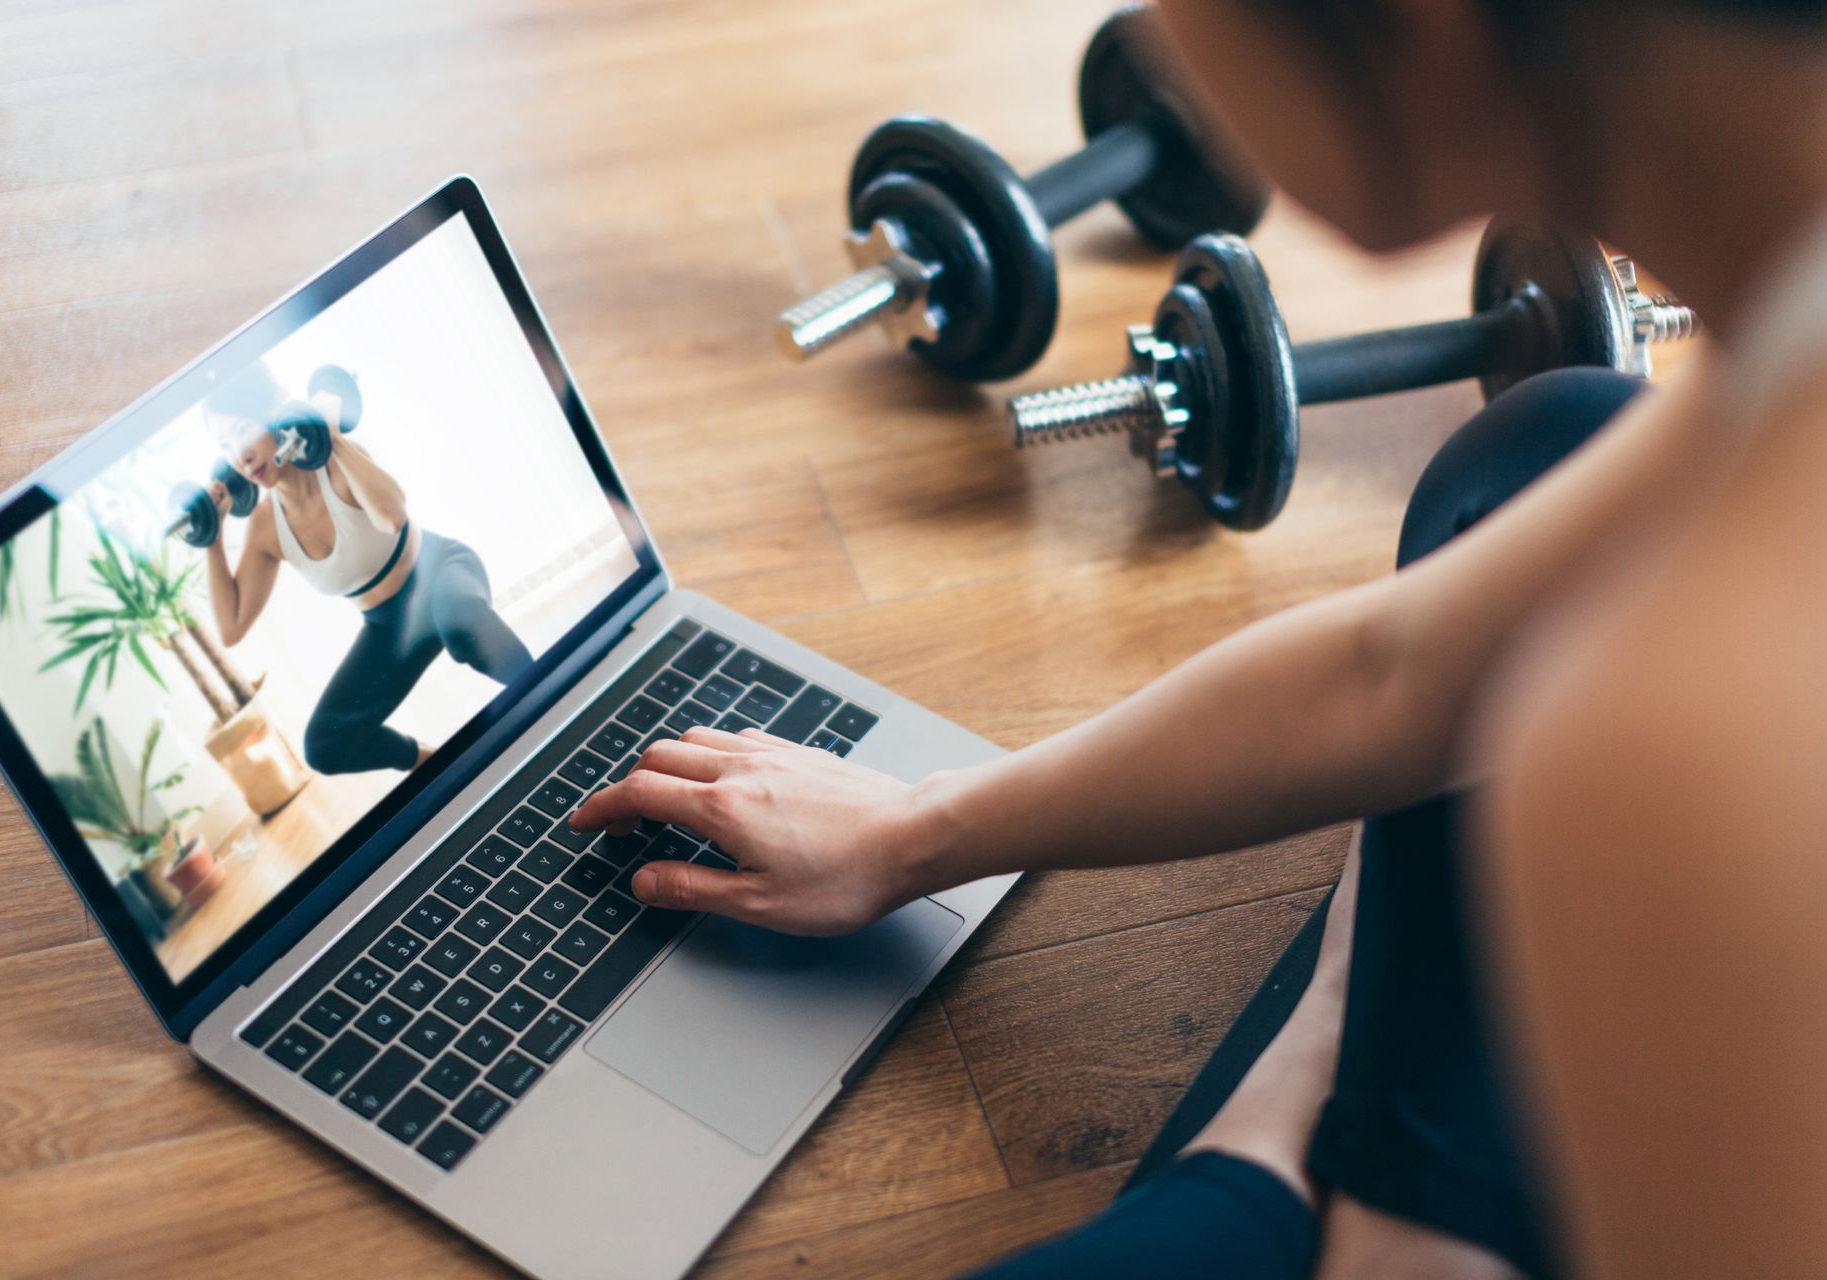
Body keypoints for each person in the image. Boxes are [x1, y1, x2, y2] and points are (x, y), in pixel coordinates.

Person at [572, 1, 1827, 1276]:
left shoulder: (1682, 737)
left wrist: (1344, 1176)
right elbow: (1397, 670)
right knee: (1548, 448)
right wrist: (912, 831)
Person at [200, 361, 533, 776]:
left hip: (439, 572)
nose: (240, 454)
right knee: (324, 746)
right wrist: (211, 537)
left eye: (243, 430)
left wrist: (331, 436)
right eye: (224, 445)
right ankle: (436, 767)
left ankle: (549, 693)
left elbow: (392, 515)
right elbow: (231, 629)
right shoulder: (266, 527)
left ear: (276, 412)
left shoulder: (335, 461)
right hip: (388, 627)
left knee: (460, 621)